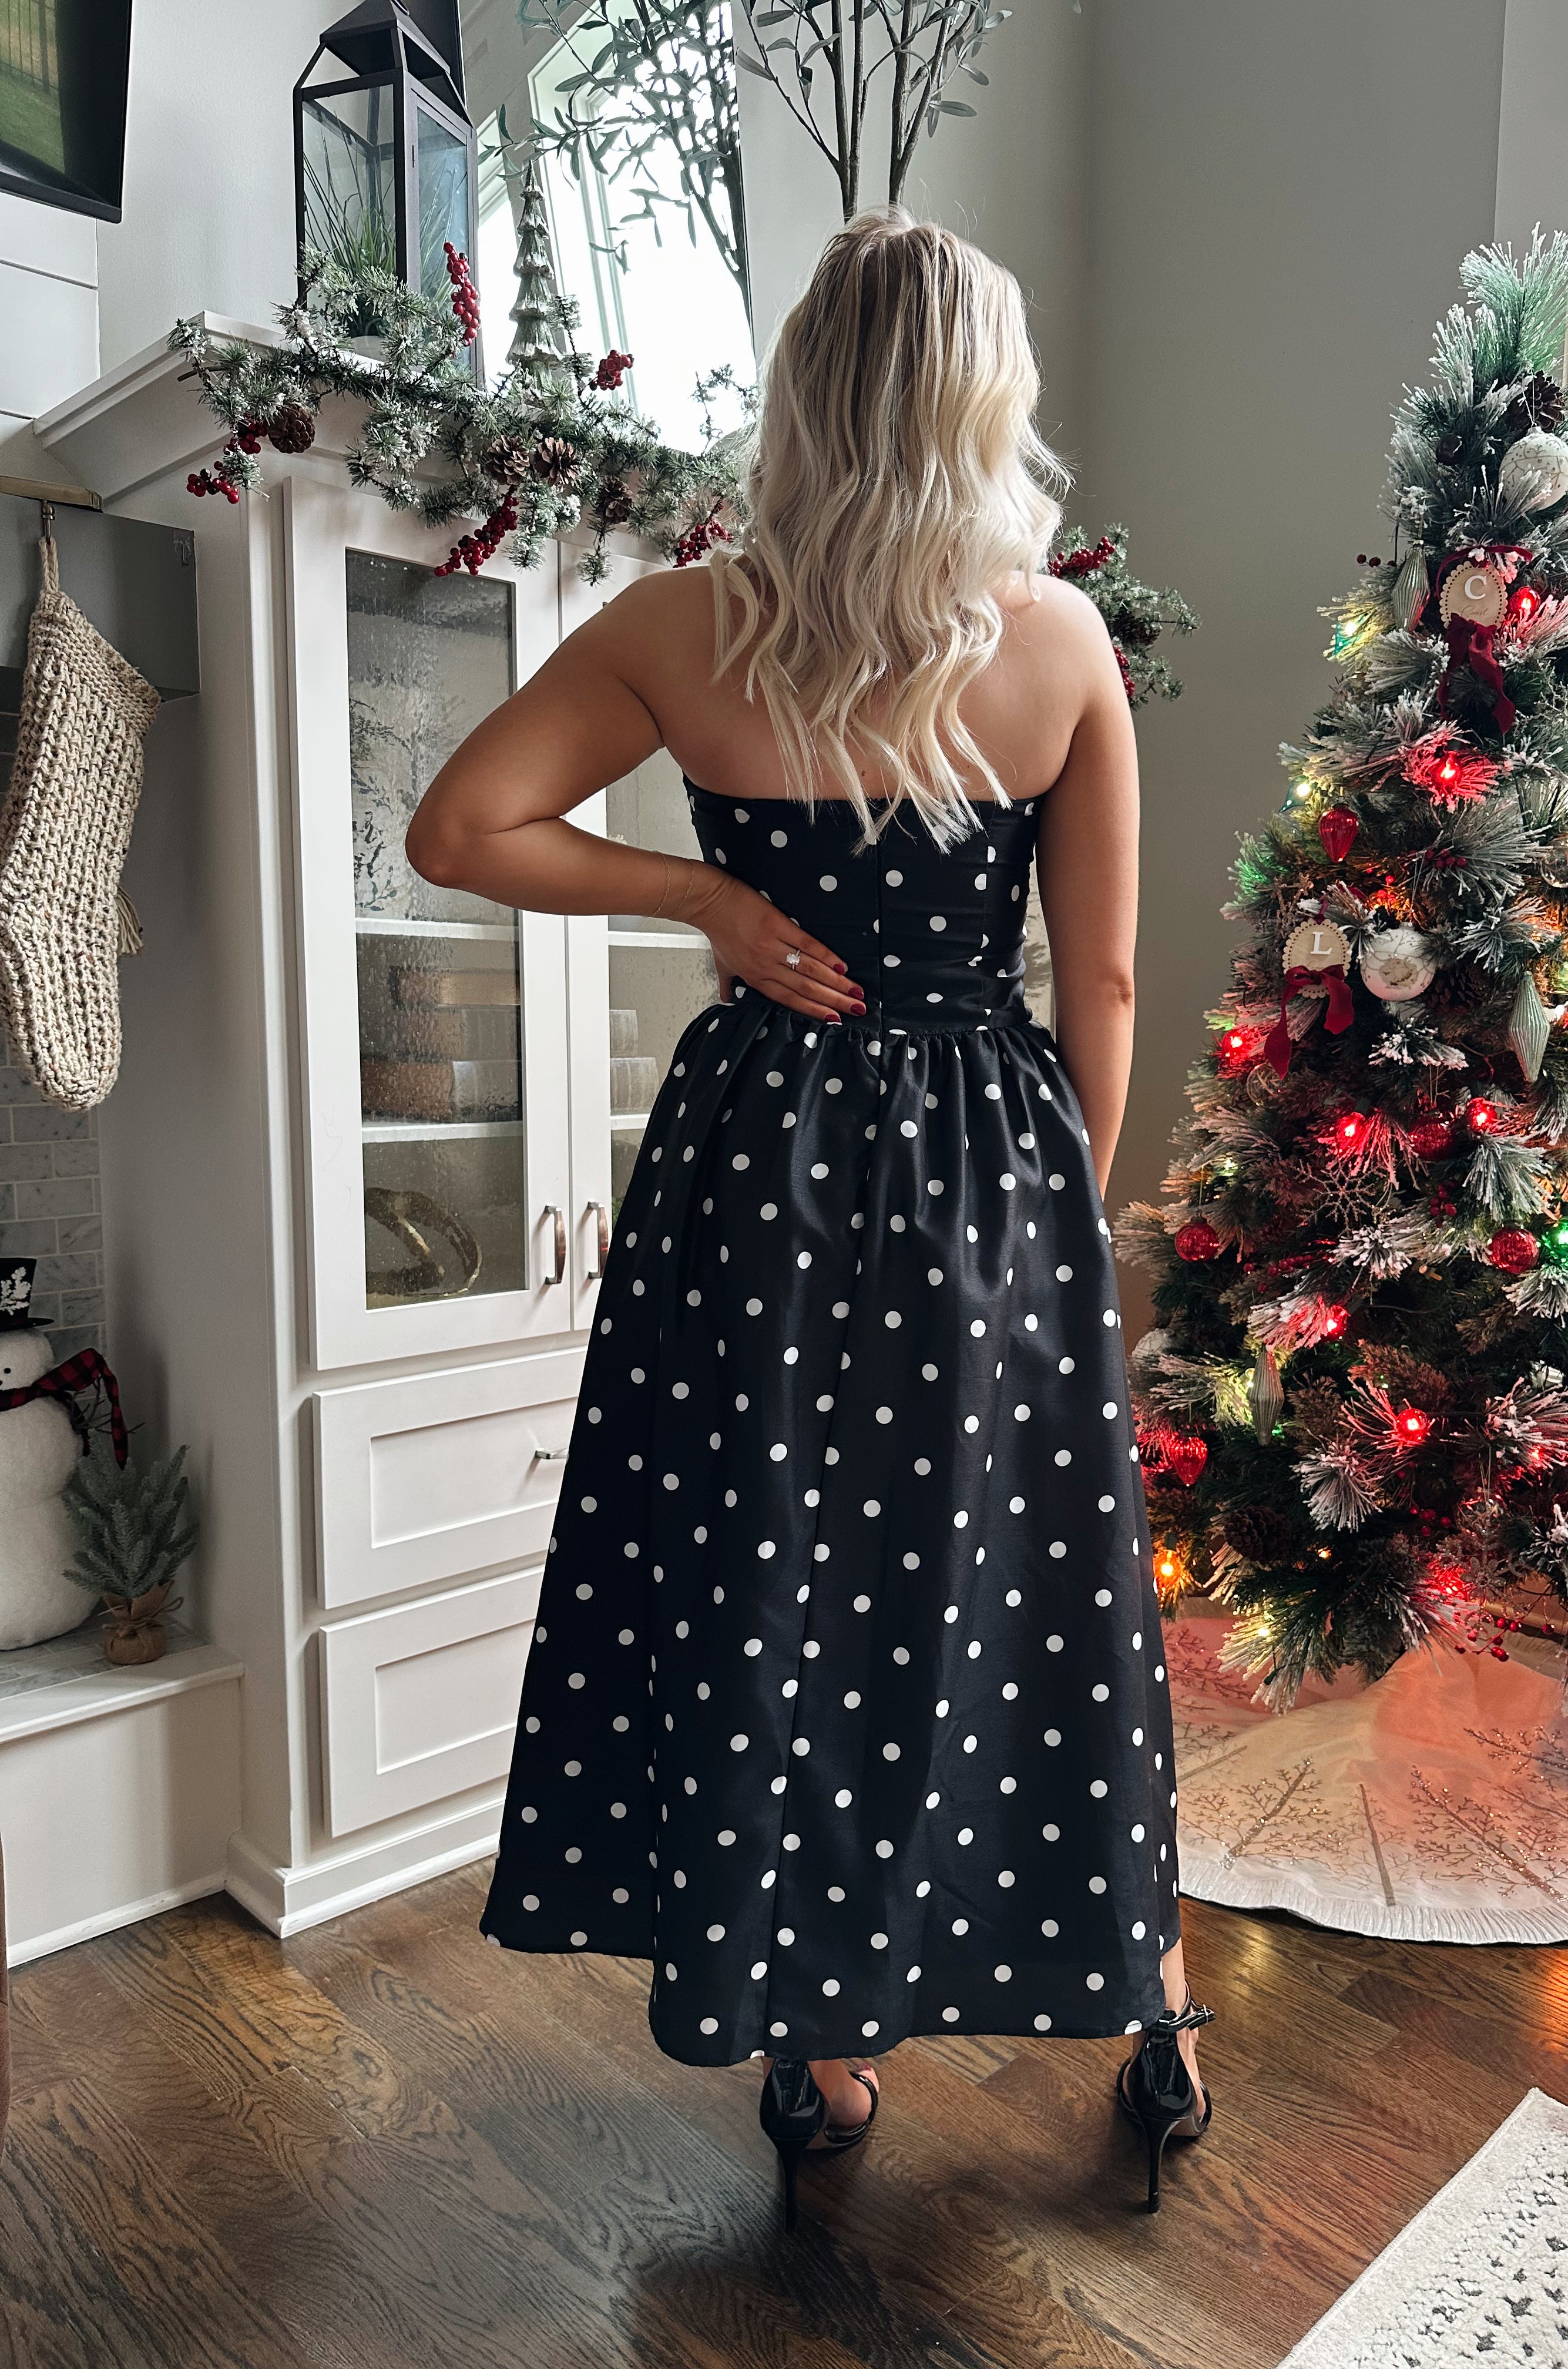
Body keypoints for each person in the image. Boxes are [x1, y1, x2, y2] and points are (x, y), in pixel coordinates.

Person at [407, 204, 1212, 2229]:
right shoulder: (1056, 642)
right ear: (980, 407)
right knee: (1025, 1603)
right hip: (983, 1175)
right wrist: (1059, 1226)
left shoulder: (694, 624)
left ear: (803, 400)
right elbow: (1099, 984)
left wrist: (707, 903)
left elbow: (460, 827)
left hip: (750, 1168)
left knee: (775, 1580)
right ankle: (1152, 1993)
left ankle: (821, 2050)